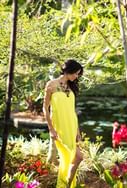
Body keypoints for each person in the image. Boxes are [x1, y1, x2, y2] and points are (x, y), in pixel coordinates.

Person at [43, 59, 84, 188]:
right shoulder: (51, 85)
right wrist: (51, 129)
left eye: (78, 74)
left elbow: (73, 111)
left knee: (75, 157)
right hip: (60, 126)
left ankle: (66, 184)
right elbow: (45, 108)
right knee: (77, 156)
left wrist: (77, 132)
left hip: (71, 125)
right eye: (76, 73)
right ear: (68, 71)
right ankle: (66, 184)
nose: (76, 76)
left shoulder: (71, 87)